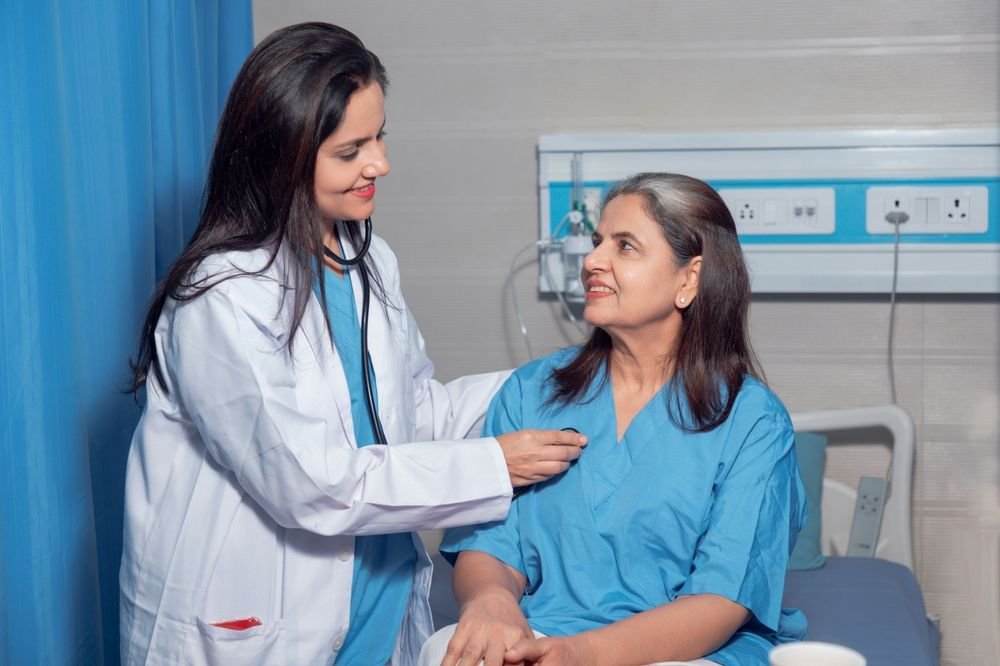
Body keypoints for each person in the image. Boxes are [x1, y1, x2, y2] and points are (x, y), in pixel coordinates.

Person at [119, 22, 587, 666]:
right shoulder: (221, 297)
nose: (380, 164)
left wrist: (561, 376)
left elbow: (413, 416)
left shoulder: (367, 260)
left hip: (377, 609)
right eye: (351, 151)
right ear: (280, 155)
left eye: (380, 136)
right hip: (257, 628)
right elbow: (307, 482)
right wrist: (493, 465)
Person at [420, 173, 808, 666]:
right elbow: (490, 542)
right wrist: (491, 601)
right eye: (597, 242)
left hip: (688, 652)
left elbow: (722, 598)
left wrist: (582, 654)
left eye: (625, 246)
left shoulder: (753, 423)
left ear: (689, 279)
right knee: (444, 650)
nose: (591, 262)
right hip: (543, 633)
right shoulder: (531, 391)